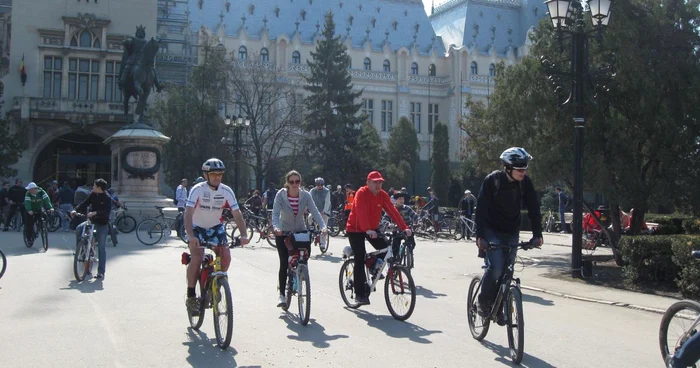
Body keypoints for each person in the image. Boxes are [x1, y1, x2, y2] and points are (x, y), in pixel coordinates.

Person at [475, 147, 543, 318]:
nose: (523, 172)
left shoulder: (525, 183)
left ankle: (499, 307)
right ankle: (482, 303)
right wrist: (480, 236)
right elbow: (481, 210)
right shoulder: (492, 181)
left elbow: (534, 208)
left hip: (511, 231)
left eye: (525, 168)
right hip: (491, 230)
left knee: (509, 271)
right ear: (508, 168)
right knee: (496, 268)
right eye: (520, 169)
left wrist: (537, 234)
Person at [184, 158, 249, 315]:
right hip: (197, 227)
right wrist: (191, 236)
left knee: (225, 256)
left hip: (215, 227)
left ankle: (217, 284)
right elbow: (188, 213)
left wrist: (244, 234)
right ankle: (191, 296)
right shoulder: (197, 190)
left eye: (220, 174)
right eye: (213, 174)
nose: (217, 177)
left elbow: (237, 214)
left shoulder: (226, 191)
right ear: (206, 175)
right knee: (197, 257)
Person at [345, 171, 412, 306]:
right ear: (368, 182)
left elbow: (393, 211)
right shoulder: (361, 193)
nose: (378, 185)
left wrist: (404, 227)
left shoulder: (382, 195)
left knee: (385, 248)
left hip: (372, 229)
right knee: (359, 257)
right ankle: (359, 294)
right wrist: (367, 229)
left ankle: (371, 265)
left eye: (380, 182)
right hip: (356, 229)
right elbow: (361, 211)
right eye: (375, 182)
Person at [271, 170, 327, 307]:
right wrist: (277, 228)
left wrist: (323, 226)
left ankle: (302, 277)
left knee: (304, 258)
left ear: (300, 182)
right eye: (291, 182)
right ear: (287, 183)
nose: (295, 184)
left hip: (300, 231)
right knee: (284, 262)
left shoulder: (306, 195)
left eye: (297, 181)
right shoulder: (281, 195)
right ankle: (282, 295)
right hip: (283, 231)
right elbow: (275, 213)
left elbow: (314, 211)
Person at [72, 179, 112, 279]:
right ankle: (80, 250)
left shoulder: (107, 198)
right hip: (91, 221)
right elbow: (85, 203)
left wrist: (95, 213)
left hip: (102, 224)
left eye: (94, 186)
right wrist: (75, 210)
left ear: (99, 187)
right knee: (78, 229)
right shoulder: (93, 194)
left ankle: (101, 272)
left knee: (102, 248)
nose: (92, 187)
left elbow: (106, 213)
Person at [308, 177, 331, 249]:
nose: (319, 186)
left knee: (323, 226)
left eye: (321, 185)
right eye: (318, 185)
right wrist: (306, 208)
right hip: (315, 210)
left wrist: (324, 211)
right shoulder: (312, 191)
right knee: (309, 218)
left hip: (324, 211)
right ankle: (313, 231)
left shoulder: (326, 191)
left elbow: (327, 202)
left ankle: (323, 243)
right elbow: (308, 200)